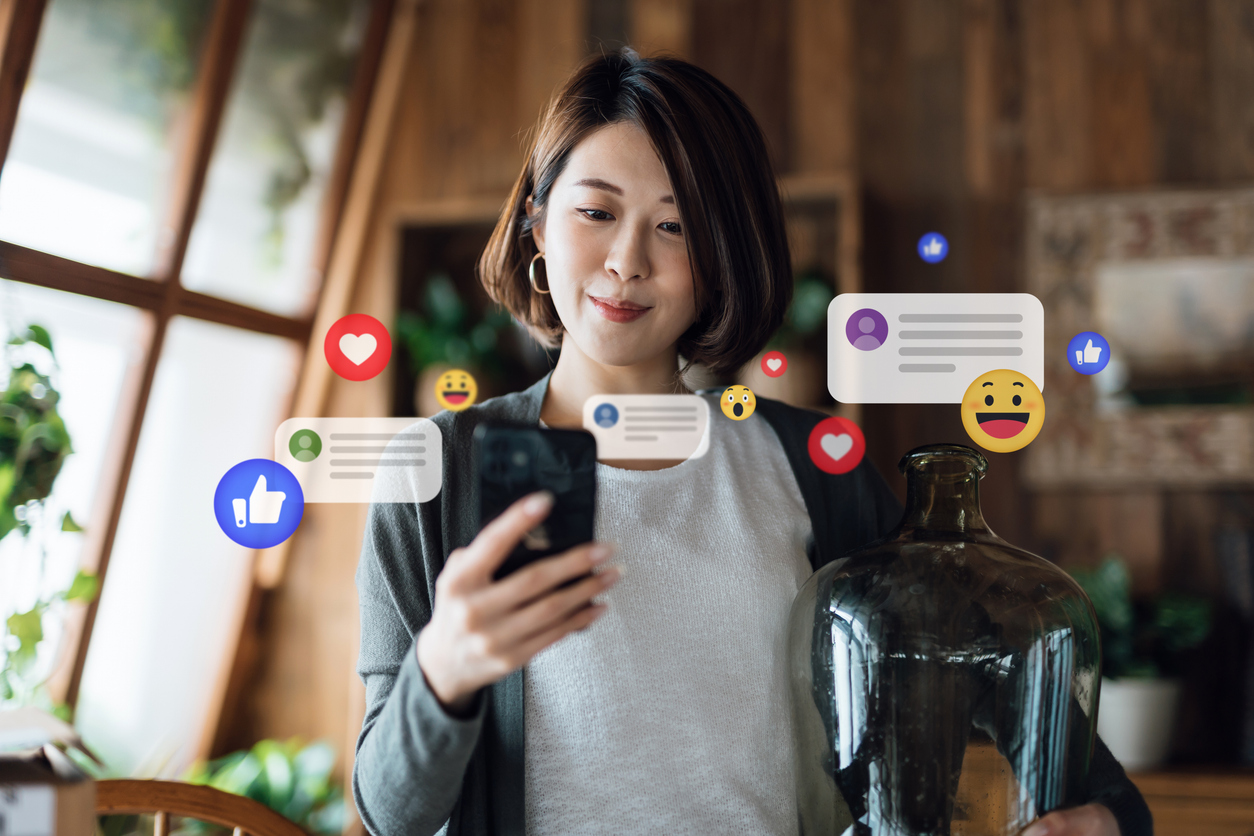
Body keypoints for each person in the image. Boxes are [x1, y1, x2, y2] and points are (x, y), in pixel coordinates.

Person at [352, 49, 1149, 836]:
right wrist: (443, 671)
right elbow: (389, 813)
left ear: (721, 257)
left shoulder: (810, 465)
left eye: (675, 225)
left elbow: (1000, 676)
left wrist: (1106, 819)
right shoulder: (438, 472)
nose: (627, 261)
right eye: (596, 212)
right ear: (536, 222)